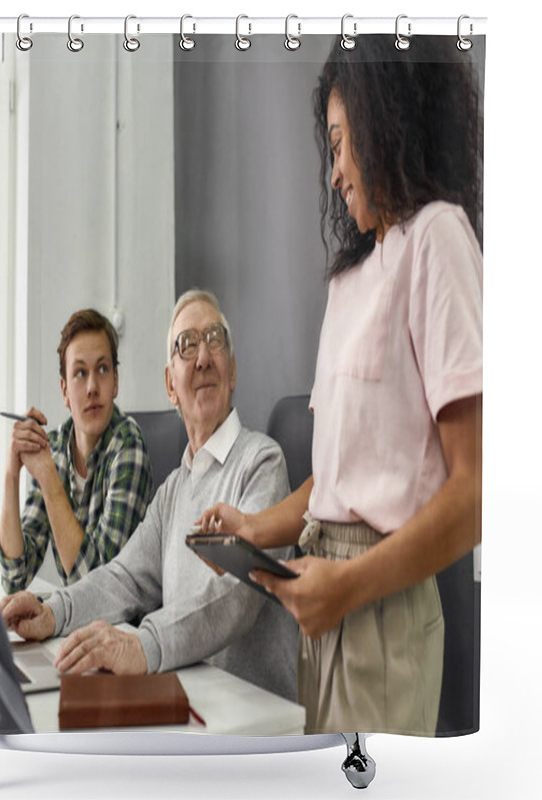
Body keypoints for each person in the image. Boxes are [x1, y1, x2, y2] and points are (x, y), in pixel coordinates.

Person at [198, 36, 483, 735]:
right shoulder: (351, 280)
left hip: (378, 603)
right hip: (320, 599)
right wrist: (254, 530)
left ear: (385, 124)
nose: (333, 173)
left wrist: (348, 585)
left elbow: (476, 492)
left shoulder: (438, 239)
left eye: (339, 142)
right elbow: (336, 481)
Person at [0, 290, 297, 701]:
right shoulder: (174, 489)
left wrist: (145, 644)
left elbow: (236, 594)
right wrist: (53, 612)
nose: (203, 357)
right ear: (169, 386)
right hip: (186, 703)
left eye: (214, 340)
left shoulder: (263, 462)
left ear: (232, 372)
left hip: (251, 720)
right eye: (186, 345)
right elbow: (122, 578)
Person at [0, 309, 153, 591]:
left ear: (115, 381)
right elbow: (14, 577)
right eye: (80, 373)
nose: (93, 387)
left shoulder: (129, 447)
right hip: (76, 624)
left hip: (123, 628)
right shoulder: (55, 449)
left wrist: (48, 478)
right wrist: (11, 474)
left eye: (103, 370)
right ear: (64, 391)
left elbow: (98, 586)